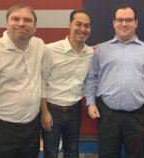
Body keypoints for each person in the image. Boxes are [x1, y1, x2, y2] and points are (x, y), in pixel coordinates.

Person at [0, 4, 46, 158]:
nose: (21, 23)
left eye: (27, 20)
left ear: (34, 27)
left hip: (32, 128)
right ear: (7, 24)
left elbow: (60, 52)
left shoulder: (39, 45)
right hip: (0, 131)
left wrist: (86, 51)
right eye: (15, 19)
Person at [84, 4, 144, 158]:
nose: (124, 24)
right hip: (107, 114)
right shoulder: (101, 50)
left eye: (129, 20)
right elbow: (92, 78)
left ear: (136, 23)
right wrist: (90, 103)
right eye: (120, 20)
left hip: (138, 114)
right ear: (114, 23)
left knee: (137, 154)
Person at [40, 10, 94, 158]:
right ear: (69, 25)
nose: (82, 29)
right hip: (51, 110)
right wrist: (44, 112)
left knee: (72, 151)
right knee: (51, 152)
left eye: (87, 26)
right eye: (78, 24)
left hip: (75, 110)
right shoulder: (50, 50)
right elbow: (40, 82)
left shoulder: (90, 53)